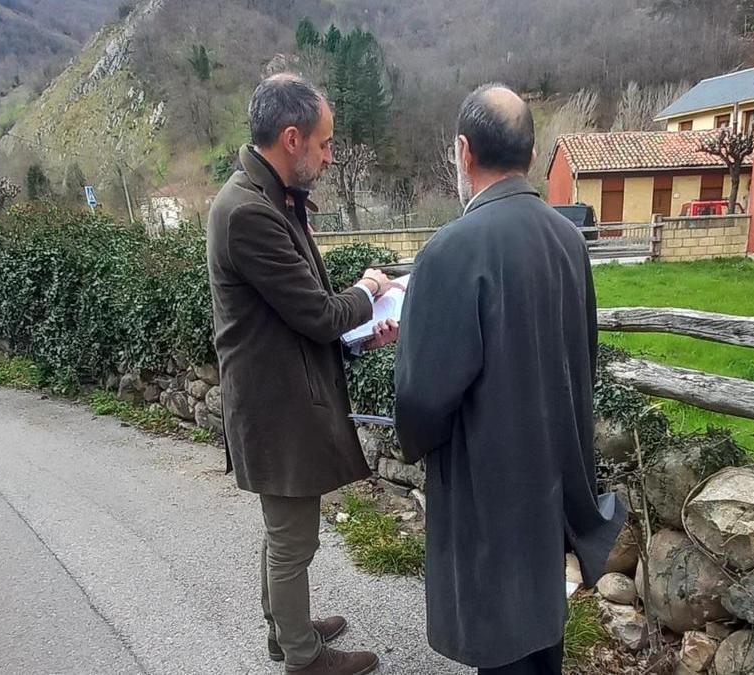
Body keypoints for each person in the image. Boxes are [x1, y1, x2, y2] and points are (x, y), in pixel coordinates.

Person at [394, 84, 625, 674]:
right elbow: (582, 356)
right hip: (551, 473)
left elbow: (422, 395)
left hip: (486, 482)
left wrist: (416, 442)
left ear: (464, 152)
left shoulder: (451, 250)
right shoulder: (568, 241)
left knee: (500, 641)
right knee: (541, 633)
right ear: (528, 151)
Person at [206, 73, 395, 675]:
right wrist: (368, 292)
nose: (330, 155)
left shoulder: (267, 201)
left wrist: (361, 334)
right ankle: (302, 657)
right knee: (293, 540)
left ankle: (285, 633)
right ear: (292, 138)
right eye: (324, 143)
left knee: (284, 534)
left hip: (280, 394)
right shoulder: (247, 214)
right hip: (275, 406)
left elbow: (297, 313)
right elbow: (314, 313)